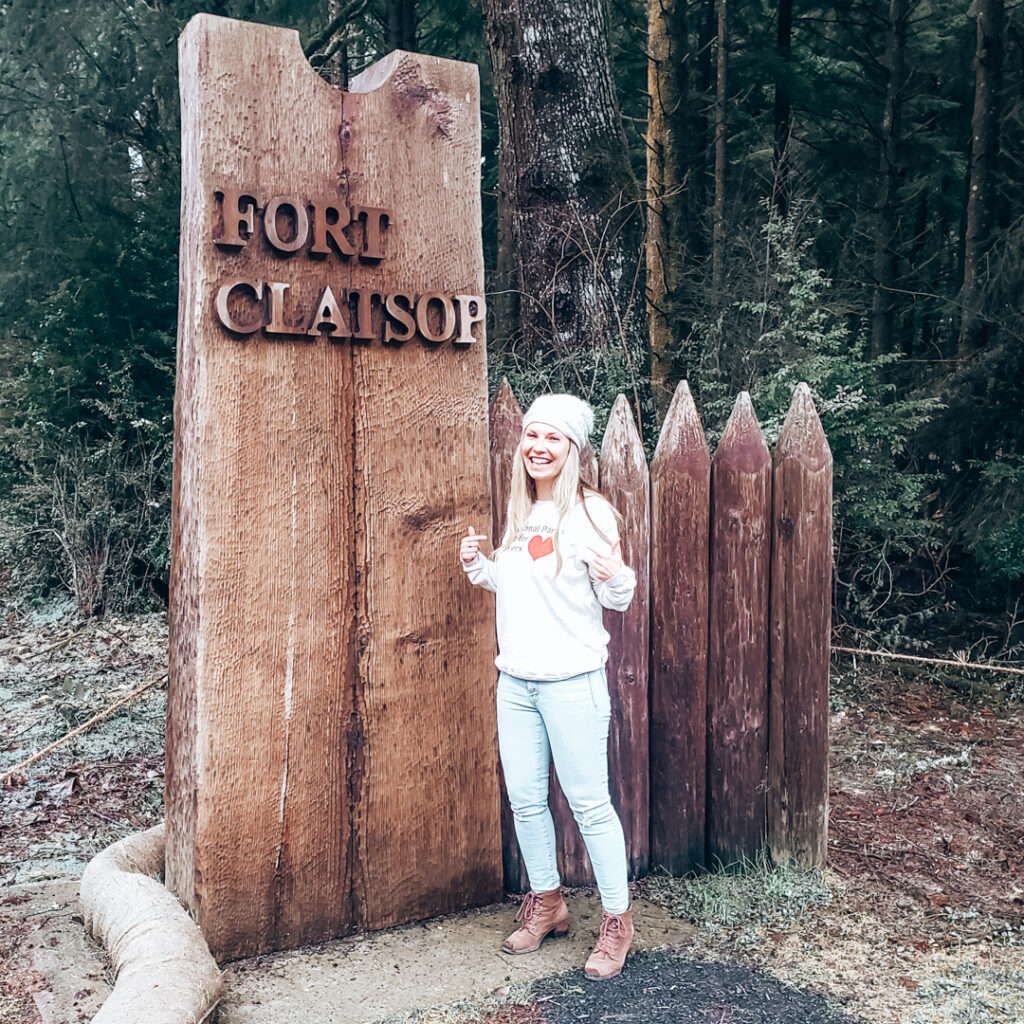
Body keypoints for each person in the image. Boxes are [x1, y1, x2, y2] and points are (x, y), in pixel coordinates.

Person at [459, 393, 637, 981]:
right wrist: (480, 569)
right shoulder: (518, 509)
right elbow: (524, 587)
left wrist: (620, 578)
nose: (538, 447)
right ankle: (549, 903)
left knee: (589, 804)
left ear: (573, 449)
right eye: (532, 436)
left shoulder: (592, 513)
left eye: (552, 438)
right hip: (516, 683)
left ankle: (617, 920)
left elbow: (615, 598)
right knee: (527, 801)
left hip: (572, 684)